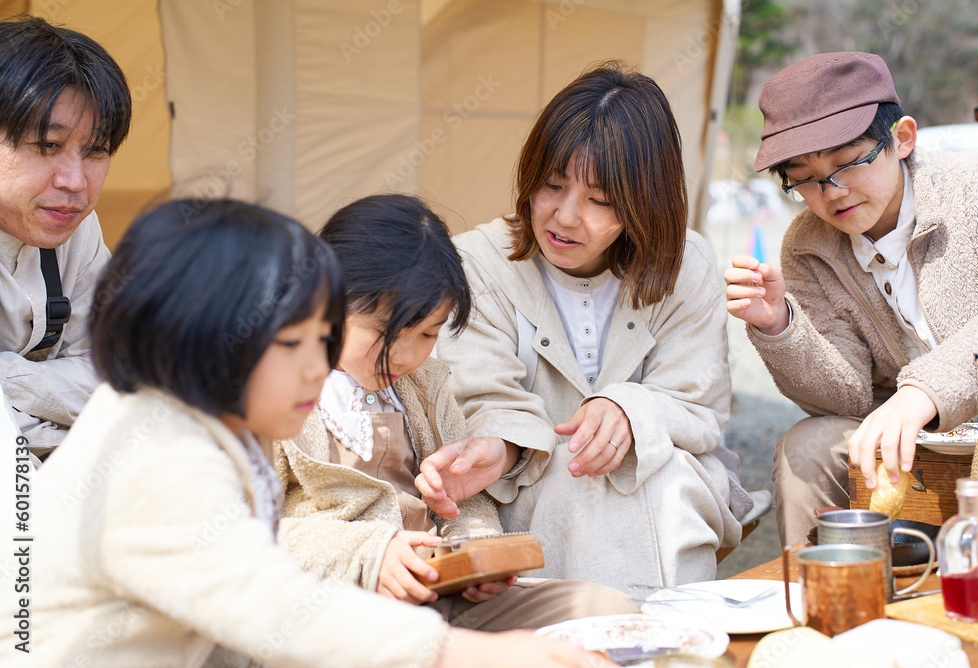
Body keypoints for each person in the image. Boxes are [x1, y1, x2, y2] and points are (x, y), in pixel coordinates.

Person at [2, 199, 614, 668]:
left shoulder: (203, 419)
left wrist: (475, 557)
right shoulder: (156, 450)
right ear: (210, 338)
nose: (316, 366)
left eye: (321, 339)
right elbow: (272, 603)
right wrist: (465, 653)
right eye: (291, 344)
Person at [423, 63, 753, 591]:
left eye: (600, 200)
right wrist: (505, 445)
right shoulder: (477, 264)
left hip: (659, 482)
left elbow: (698, 405)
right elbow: (478, 399)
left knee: (661, 482)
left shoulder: (685, 263)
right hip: (532, 489)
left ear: (647, 201)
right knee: (574, 486)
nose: (565, 216)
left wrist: (630, 408)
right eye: (551, 186)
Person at [274, 193, 637, 631]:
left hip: (437, 599)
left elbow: (466, 500)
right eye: (382, 332)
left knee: (606, 612)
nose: (405, 355)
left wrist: (476, 554)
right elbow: (244, 533)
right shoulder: (273, 393)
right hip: (333, 609)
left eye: (427, 334)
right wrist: (372, 553)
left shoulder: (424, 387)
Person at [723, 51, 978, 545]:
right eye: (804, 177)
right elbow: (845, 397)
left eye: (848, 163)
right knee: (807, 447)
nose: (831, 192)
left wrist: (922, 392)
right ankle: (824, 600)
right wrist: (781, 327)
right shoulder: (806, 244)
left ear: (902, 139)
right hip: (914, 444)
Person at [0, 16, 131, 458]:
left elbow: (119, 377)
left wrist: (8, 378)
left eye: (95, 151)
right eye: (47, 145)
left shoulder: (71, 222)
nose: (76, 182)